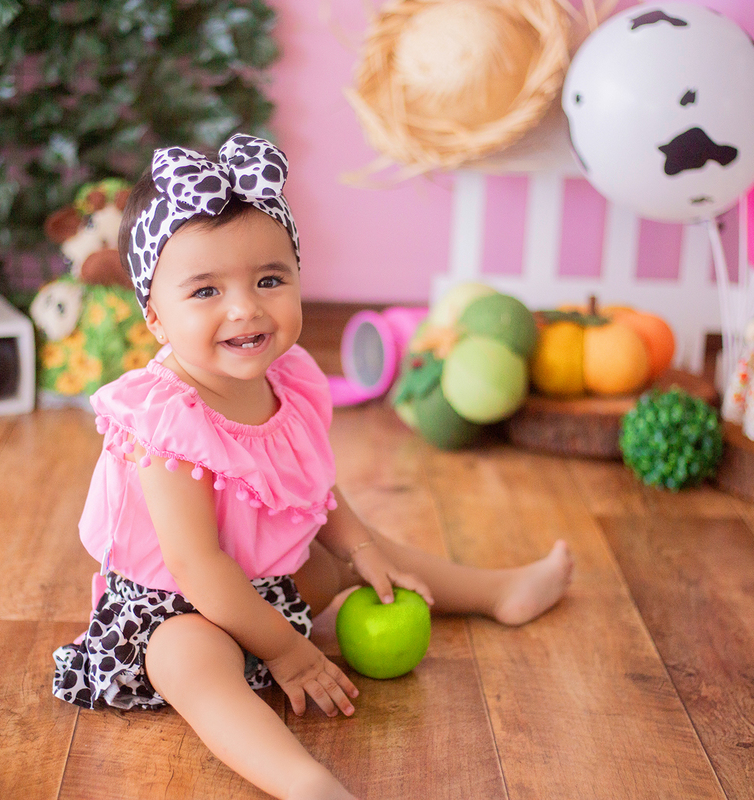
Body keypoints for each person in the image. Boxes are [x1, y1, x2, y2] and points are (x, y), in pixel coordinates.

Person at [52, 134, 573, 800]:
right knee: (188, 660)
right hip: (174, 610)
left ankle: (496, 591)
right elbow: (196, 568)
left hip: (266, 586)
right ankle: (302, 781)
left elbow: (313, 489)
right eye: (206, 290)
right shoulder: (164, 419)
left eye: (269, 279)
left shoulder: (287, 381)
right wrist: (287, 650)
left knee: (363, 550)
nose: (245, 308)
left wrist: (357, 545)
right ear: (154, 316)